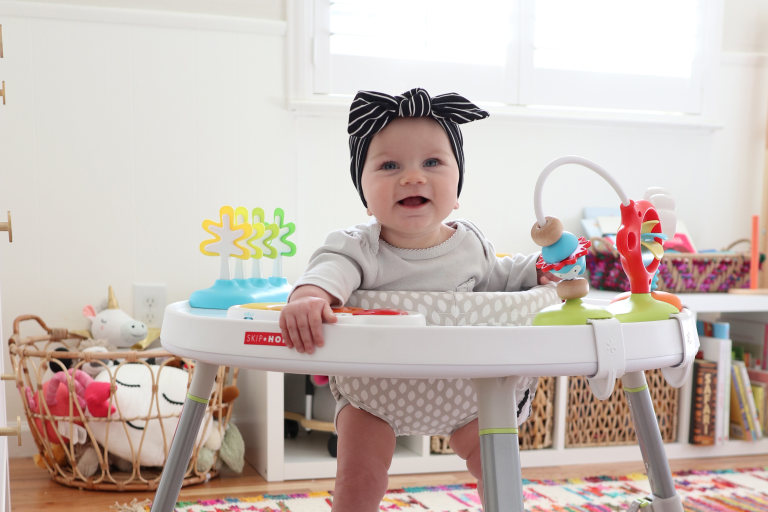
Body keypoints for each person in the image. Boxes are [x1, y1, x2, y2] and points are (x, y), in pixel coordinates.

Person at [279, 87, 553, 511]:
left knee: (499, 468)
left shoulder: (471, 244)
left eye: (432, 162)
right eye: (389, 165)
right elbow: (328, 271)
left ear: (457, 187)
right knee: (359, 477)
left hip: (467, 392)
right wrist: (312, 295)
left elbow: (501, 275)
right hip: (375, 395)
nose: (412, 177)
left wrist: (540, 269)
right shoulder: (358, 247)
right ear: (364, 193)